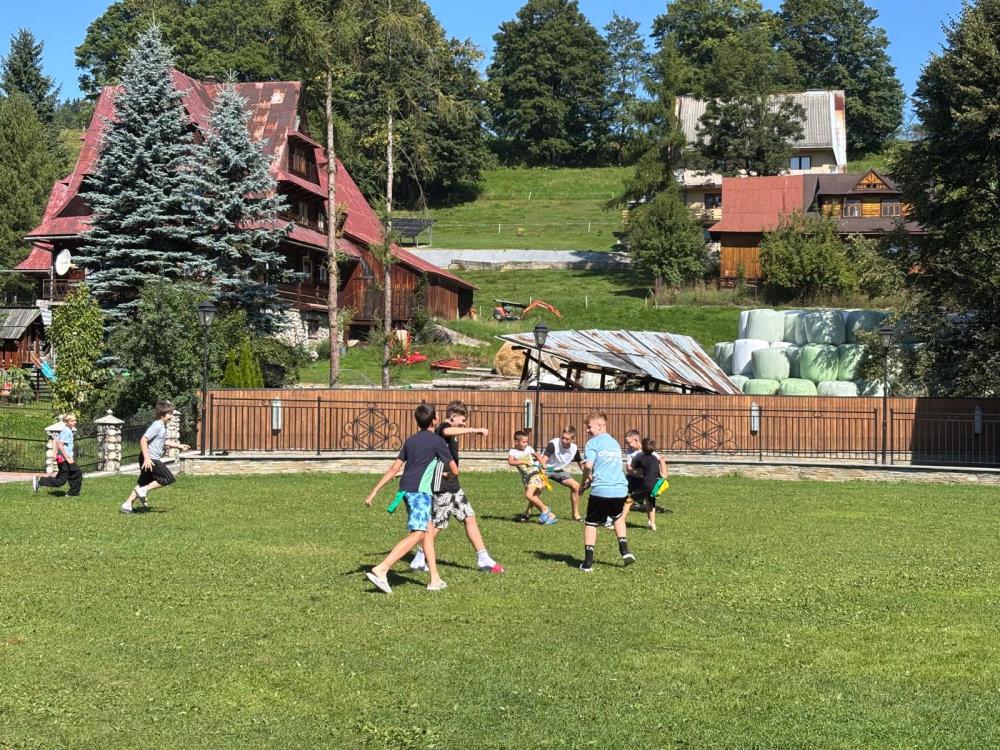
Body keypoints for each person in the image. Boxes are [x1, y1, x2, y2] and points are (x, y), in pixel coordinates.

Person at [364, 403, 458, 594]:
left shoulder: (411, 441)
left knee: (428, 532)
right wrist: (449, 474)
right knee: (418, 533)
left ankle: (435, 579)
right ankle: (382, 569)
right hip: (420, 493)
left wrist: (375, 490)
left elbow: (394, 468)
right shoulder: (438, 442)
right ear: (435, 420)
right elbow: (454, 469)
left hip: (406, 491)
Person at [410, 400, 505, 574]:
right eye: (462, 420)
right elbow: (446, 430)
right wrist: (474, 430)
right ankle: (419, 559)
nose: (464, 424)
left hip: (453, 485)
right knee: (437, 525)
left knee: (469, 517)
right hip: (442, 486)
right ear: (453, 416)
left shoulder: (451, 431)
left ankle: (483, 558)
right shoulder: (443, 428)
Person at [579, 411, 635, 572]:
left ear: (599, 426)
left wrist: (583, 482)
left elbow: (588, 466)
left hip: (601, 490)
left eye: (589, 427)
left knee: (591, 523)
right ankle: (625, 551)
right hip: (620, 489)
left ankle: (587, 563)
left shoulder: (592, 443)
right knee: (618, 517)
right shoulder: (614, 442)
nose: (587, 430)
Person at [120, 401, 189, 514]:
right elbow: (143, 440)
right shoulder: (157, 425)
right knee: (168, 478)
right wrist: (147, 459)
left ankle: (127, 505)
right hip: (150, 458)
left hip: (148, 458)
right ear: (162, 414)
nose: (171, 416)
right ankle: (143, 490)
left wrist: (179, 446)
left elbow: (163, 441)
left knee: (143, 482)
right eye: (169, 414)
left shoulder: (162, 426)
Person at [507, 430, 557, 524]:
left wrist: (543, 464)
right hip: (526, 478)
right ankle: (549, 515)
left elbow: (537, 455)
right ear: (516, 442)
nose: (526, 444)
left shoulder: (529, 449)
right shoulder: (513, 451)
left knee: (529, 495)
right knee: (533, 497)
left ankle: (545, 509)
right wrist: (522, 461)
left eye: (527, 442)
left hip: (535, 474)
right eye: (523, 442)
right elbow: (511, 462)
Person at [538, 425, 585, 521]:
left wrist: (590, 476)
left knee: (576, 486)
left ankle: (575, 515)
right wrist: (543, 478)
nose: (563, 440)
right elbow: (543, 461)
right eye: (562, 437)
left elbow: (582, 465)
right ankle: (528, 512)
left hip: (557, 470)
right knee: (538, 488)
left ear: (573, 439)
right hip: (545, 469)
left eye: (567, 439)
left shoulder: (574, 449)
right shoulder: (553, 444)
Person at [33, 413, 82, 497]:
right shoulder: (67, 431)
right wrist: (67, 458)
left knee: (74, 474)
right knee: (65, 479)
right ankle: (40, 481)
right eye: (72, 421)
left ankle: (73, 492)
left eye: (75, 420)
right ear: (67, 422)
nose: (75, 422)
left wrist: (55, 454)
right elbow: (60, 444)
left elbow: (55, 440)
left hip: (62, 458)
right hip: (64, 459)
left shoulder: (66, 430)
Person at [629, 437, 668, 532]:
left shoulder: (639, 457)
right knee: (650, 502)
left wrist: (631, 468)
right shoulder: (655, 458)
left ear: (643, 446)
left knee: (628, 501)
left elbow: (632, 467)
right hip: (656, 484)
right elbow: (664, 475)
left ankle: (619, 521)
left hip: (646, 483)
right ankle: (652, 523)